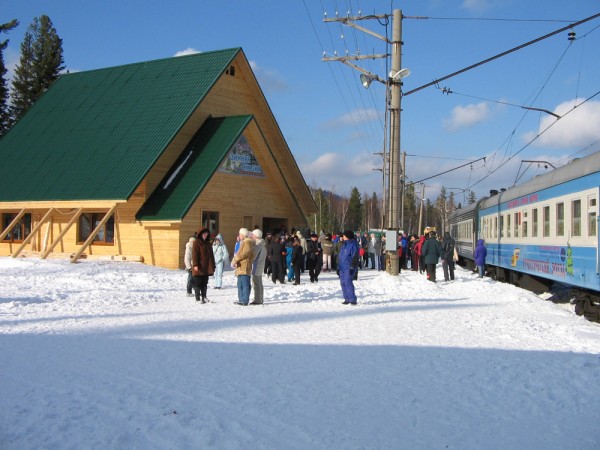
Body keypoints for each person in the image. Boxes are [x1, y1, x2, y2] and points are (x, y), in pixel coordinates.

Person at [191, 228, 216, 303]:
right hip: (199, 266)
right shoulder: (196, 243)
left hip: (206, 266)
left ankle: (204, 297)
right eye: (204, 233)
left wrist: (212, 265)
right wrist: (195, 264)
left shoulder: (208, 243)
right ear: (200, 234)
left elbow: (211, 255)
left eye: (206, 234)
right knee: (197, 283)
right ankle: (197, 298)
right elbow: (194, 254)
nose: (205, 235)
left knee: (205, 282)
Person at [231, 228, 254, 305]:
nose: (239, 236)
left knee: (245, 284)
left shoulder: (247, 242)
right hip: (240, 266)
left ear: (243, 235)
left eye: (240, 234)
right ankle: (241, 299)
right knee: (240, 284)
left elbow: (244, 253)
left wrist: (236, 259)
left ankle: (244, 300)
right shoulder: (243, 242)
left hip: (245, 266)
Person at [338, 230, 360, 304]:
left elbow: (355, 257)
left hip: (349, 267)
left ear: (347, 237)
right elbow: (341, 256)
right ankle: (346, 298)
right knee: (343, 283)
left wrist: (352, 266)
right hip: (342, 267)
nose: (342, 237)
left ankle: (352, 299)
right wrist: (338, 267)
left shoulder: (353, 245)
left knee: (348, 283)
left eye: (344, 236)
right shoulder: (344, 245)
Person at [251, 229, 267, 305]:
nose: (251, 236)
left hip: (256, 267)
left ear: (256, 236)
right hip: (260, 267)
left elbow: (253, 256)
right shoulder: (263, 244)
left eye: (252, 235)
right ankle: (260, 298)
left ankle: (257, 300)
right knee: (259, 283)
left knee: (256, 284)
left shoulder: (258, 245)